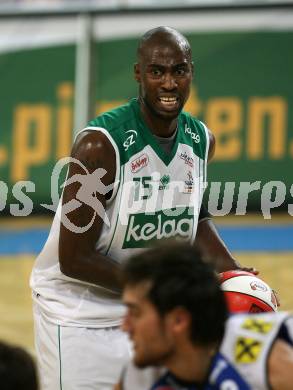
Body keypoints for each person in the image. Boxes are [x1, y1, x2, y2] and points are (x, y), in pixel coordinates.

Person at [30, 26, 251, 390]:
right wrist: (161, 292)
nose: (169, 83)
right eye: (157, 71)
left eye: (179, 70)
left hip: (146, 310)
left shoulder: (200, 140)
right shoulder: (98, 146)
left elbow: (193, 220)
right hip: (78, 314)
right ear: (138, 74)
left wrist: (235, 275)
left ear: (191, 72)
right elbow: (74, 258)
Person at [121, 243, 293, 390]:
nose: (124, 326)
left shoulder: (266, 359)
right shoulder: (140, 371)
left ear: (179, 320)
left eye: (136, 313)